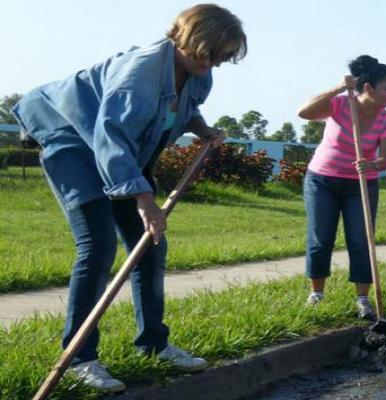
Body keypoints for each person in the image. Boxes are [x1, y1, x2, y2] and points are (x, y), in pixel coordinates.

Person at [12, 4, 246, 393]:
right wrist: (145, 200)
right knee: (98, 247)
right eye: (210, 53)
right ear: (187, 38)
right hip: (72, 139)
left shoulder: (198, 72)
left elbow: (181, 109)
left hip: (115, 149)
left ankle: (154, 343)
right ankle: (79, 359)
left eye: (223, 57)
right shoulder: (139, 72)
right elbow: (111, 138)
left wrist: (203, 129)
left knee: (149, 245)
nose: (215, 63)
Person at [297, 55, 386, 320]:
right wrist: (339, 87)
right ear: (368, 88)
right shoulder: (342, 105)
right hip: (322, 180)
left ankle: (363, 299)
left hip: (361, 185)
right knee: (321, 238)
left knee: (361, 240)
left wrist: (374, 164)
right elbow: (304, 112)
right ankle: (317, 293)